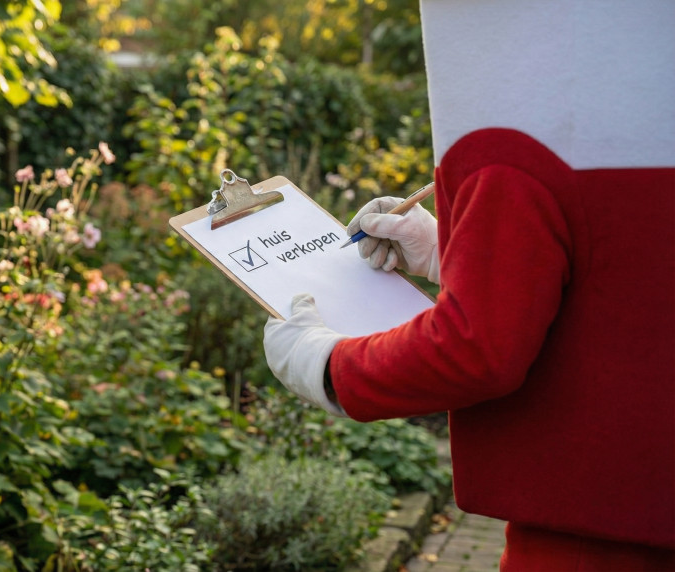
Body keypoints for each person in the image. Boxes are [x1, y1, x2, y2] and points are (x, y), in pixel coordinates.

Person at [262, 1, 675, 569]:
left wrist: (328, 366)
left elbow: (477, 349)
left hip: (595, 529)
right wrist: (454, 257)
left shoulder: (513, 137)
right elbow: (625, 278)